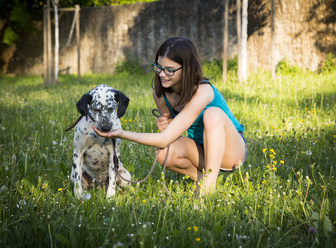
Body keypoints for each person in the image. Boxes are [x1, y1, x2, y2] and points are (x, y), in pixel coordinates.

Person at [93, 36, 247, 194]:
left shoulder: (203, 91)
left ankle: (209, 188)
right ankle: (201, 178)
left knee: (212, 114)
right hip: (201, 150)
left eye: (169, 70)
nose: (161, 74)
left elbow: (166, 137)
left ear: (187, 68)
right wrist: (168, 123)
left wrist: (122, 133)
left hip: (231, 152)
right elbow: (167, 137)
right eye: (158, 67)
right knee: (163, 152)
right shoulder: (160, 93)